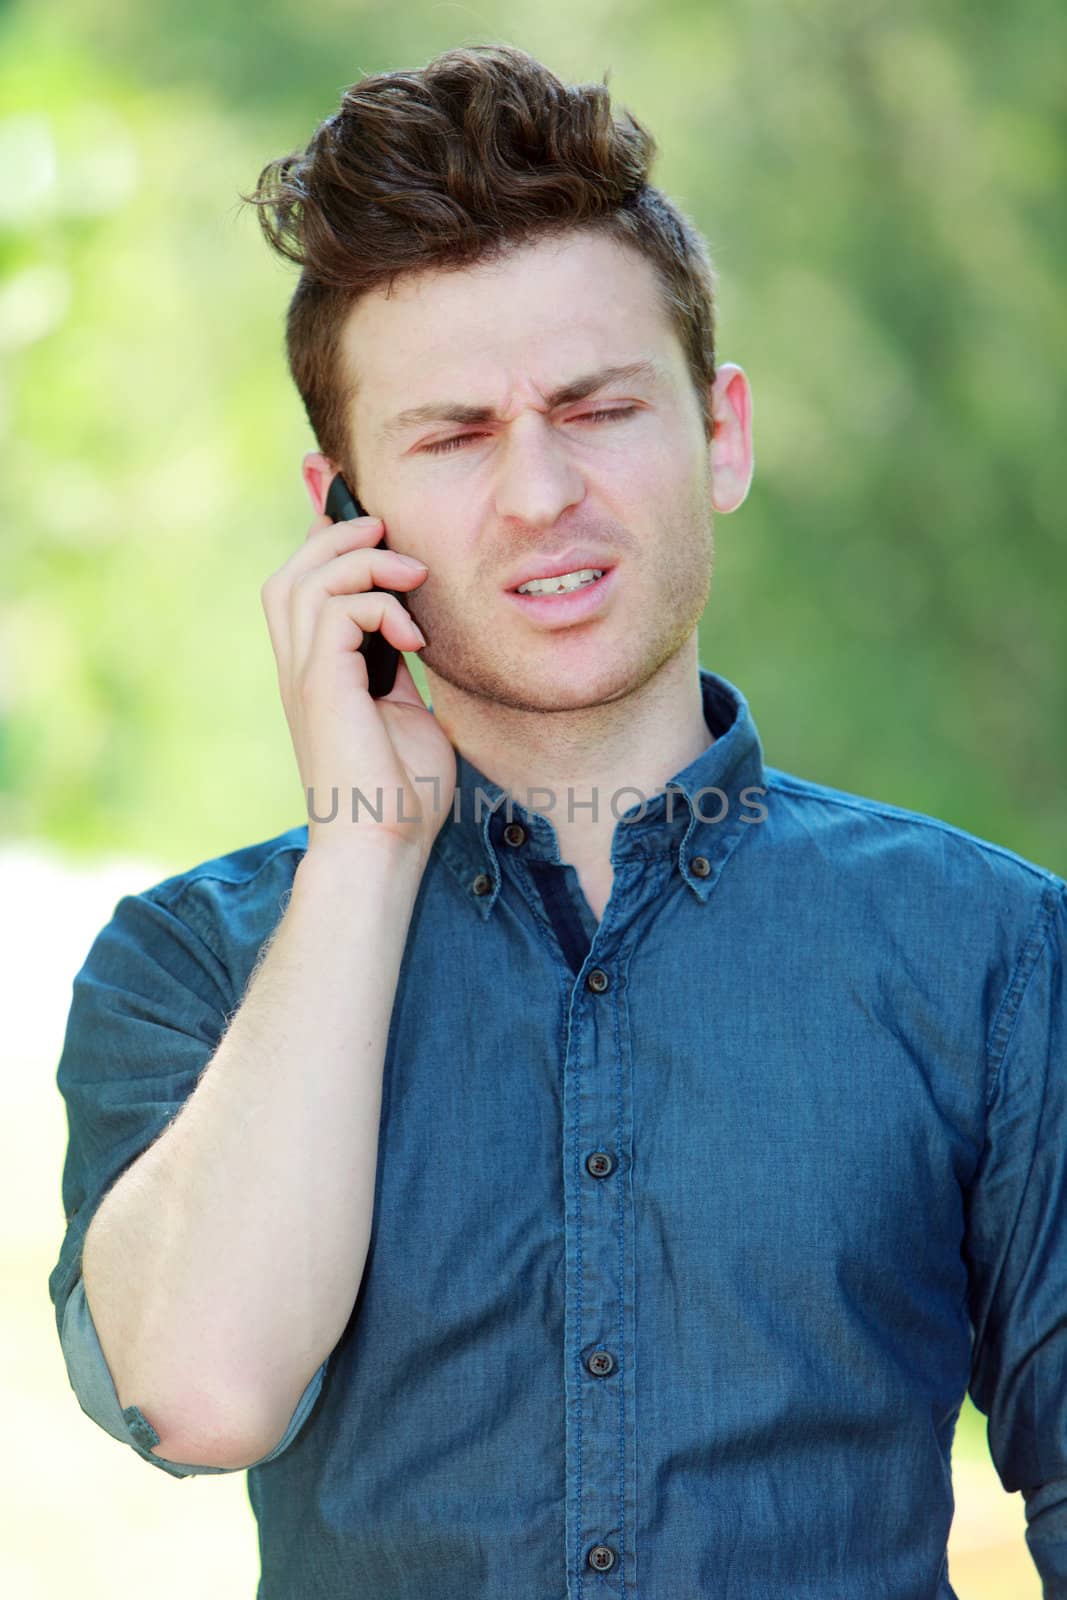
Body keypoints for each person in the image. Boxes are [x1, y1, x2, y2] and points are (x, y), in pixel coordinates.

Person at [49, 42, 1066, 1600]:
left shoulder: (993, 949)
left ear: (720, 433)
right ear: (344, 512)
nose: (540, 495)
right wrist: (365, 844)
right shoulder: (190, 964)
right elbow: (199, 1395)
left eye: (595, 408)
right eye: (454, 436)